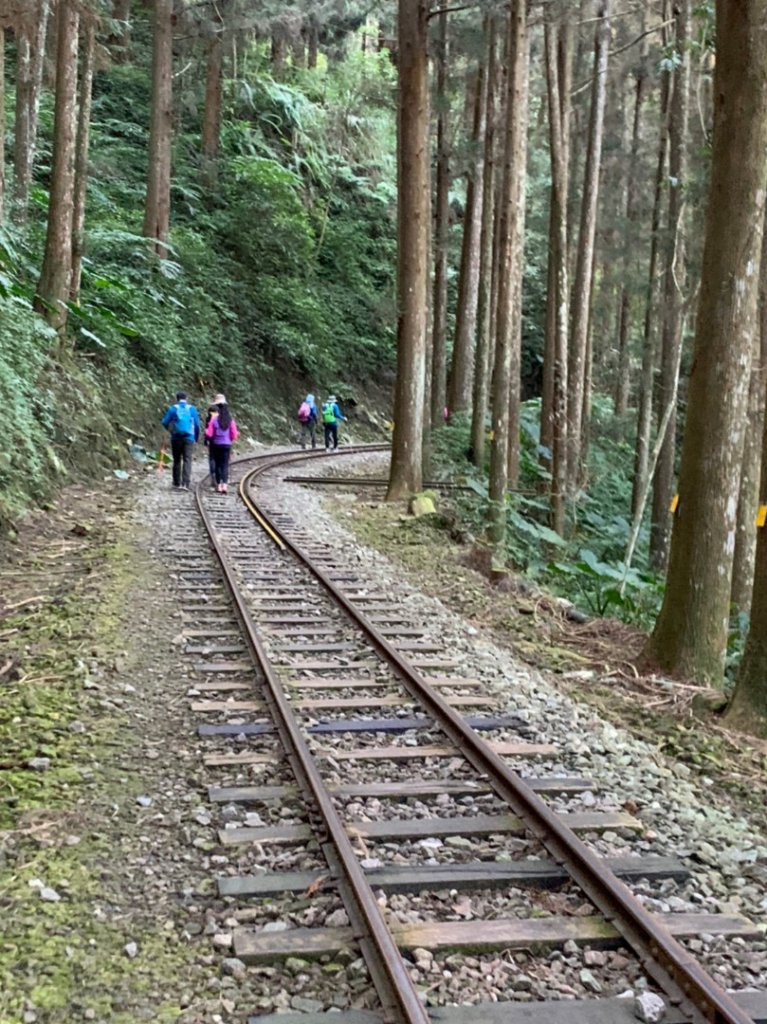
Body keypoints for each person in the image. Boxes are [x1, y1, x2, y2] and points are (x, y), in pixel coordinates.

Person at [161, 391, 200, 490]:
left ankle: (176, 482)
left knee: (177, 459)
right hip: (189, 437)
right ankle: (185, 483)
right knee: (187, 459)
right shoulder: (192, 409)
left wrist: (170, 430)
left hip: (176, 437)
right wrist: (196, 437)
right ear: (186, 398)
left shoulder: (172, 409)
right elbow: (197, 424)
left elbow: (164, 422)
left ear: (177, 398)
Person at [205, 394, 239, 494]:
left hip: (216, 445)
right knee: (225, 465)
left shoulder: (214, 420)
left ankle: (219, 485)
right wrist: (230, 439)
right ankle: (224, 485)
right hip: (227, 445)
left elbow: (210, 434)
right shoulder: (230, 420)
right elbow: (234, 434)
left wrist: (206, 432)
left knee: (218, 465)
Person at [203, 404, 218, 488]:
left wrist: (206, 441)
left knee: (212, 458)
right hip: (220, 441)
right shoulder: (220, 419)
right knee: (218, 459)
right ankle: (217, 477)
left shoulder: (208, 419)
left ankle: (213, 475)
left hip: (211, 441)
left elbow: (206, 431)